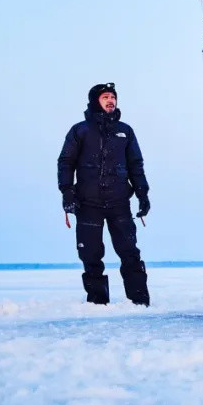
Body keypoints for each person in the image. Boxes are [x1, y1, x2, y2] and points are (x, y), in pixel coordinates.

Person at [57, 83, 151, 306]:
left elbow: (136, 165)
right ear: (95, 101)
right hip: (88, 203)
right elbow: (66, 162)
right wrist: (67, 192)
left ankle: (140, 301)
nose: (111, 101)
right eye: (105, 97)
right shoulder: (80, 130)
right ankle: (97, 302)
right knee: (90, 254)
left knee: (129, 250)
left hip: (119, 201)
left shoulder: (125, 131)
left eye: (113, 97)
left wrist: (143, 194)